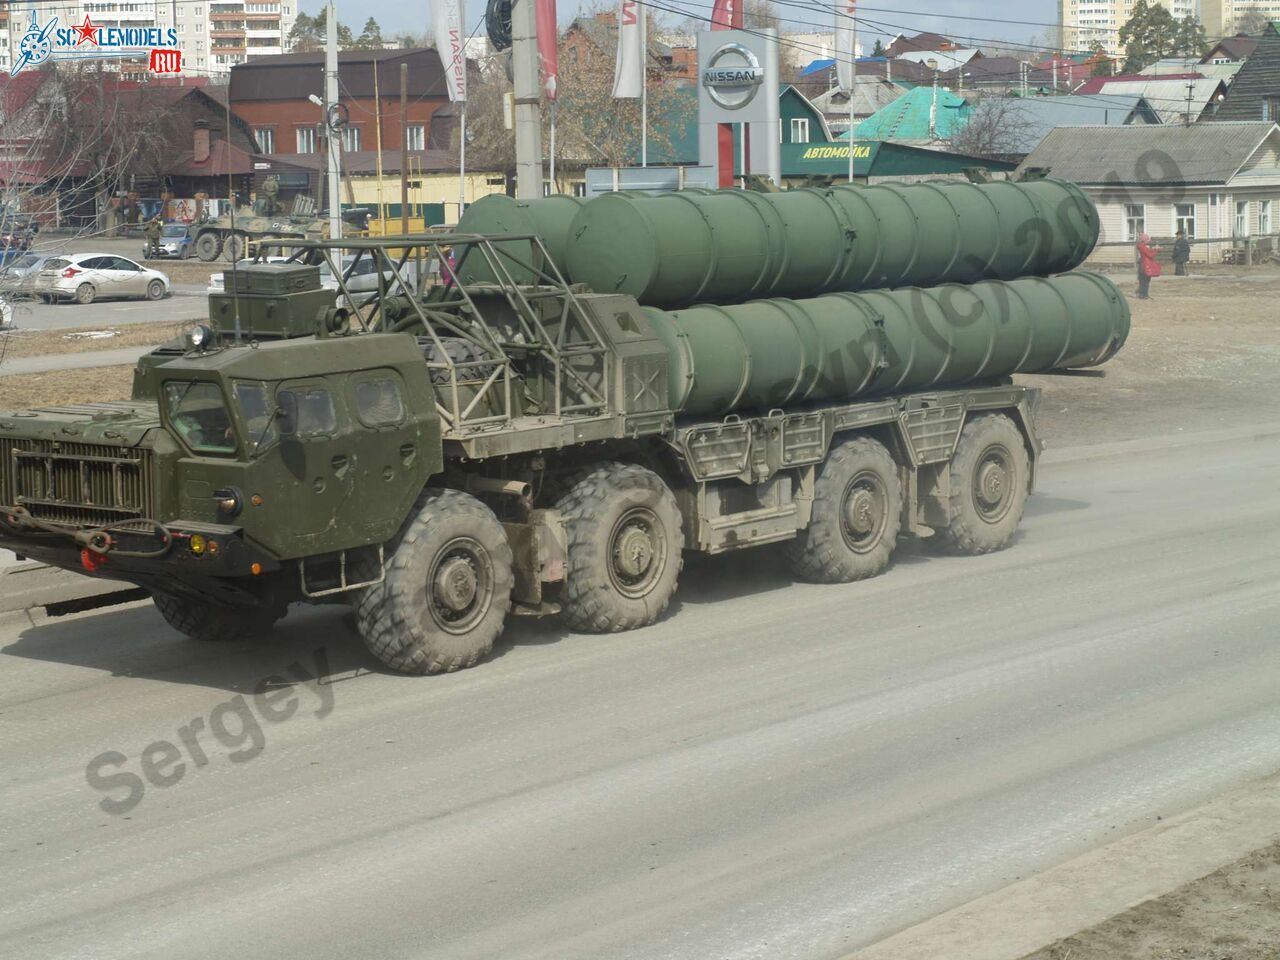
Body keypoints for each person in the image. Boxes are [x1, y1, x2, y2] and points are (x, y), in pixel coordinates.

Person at [1135, 232, 1161, 300]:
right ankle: (1143, 295)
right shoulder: (1143, 247)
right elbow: (1150, 255)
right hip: (1145, 265)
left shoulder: (1141, 246)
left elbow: (1148, 253)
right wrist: (1156, 249)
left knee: (1143, 280)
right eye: (1147, 239)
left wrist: (1153, 249)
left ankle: (1141, 293)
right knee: (1145, 281)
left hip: (1143, 265)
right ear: (1145, 240)